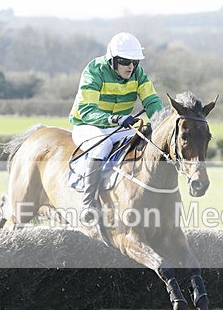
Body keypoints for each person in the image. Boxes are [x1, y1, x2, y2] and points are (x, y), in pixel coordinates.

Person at [69, 32, 164, 223]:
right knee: (101, 146)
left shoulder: (137, 73)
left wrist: (160, 122)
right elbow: (87, 111)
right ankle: (89, 204)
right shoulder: (94, 71)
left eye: (135, 62)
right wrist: (116, 119)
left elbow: (152, 100)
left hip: (119, 126)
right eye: (125, 61)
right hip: (88, 125)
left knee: (143, 142)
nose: (131, 67)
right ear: (112, 60)